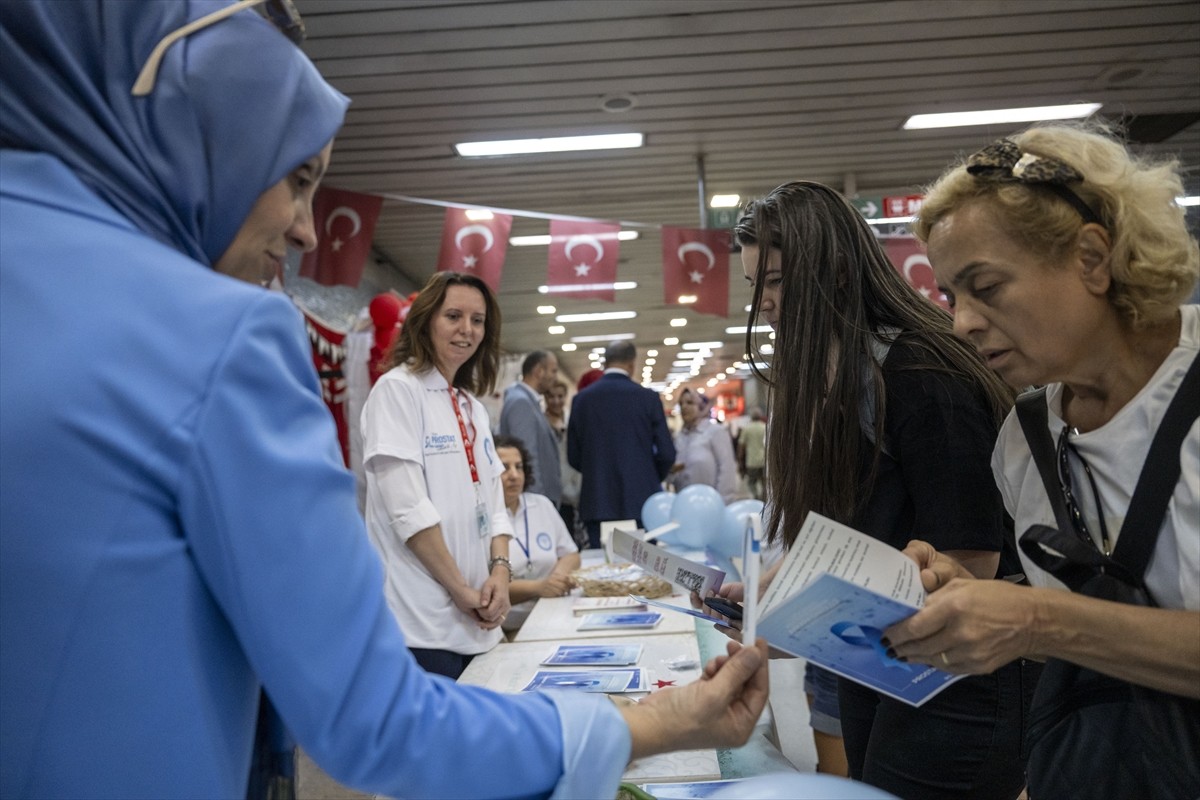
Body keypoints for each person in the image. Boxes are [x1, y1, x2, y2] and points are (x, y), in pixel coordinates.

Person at [0, 2, 771, 797]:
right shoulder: (215, 337)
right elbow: (374, 718)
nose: (306, 230)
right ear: (204, 134)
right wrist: (657, 721)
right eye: (297, 179)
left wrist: (500, 569)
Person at [886, 124, 1200, 798]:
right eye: (950, 297)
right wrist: (969, 605)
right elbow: (1092, 638)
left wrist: (1035, 621)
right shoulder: (1025, 439)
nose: (963, 323)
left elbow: (1065, 624)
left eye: (986, 287)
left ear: (1092, 258)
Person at [728, 181, 1034, 799]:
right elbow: (858, 527)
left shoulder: (923, 372)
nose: (763, 304)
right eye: (755, 285)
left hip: (958, 676)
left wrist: (799, 609)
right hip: (884, 663)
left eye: (778, 281)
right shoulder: (843, 376)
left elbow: (967, 563)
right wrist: (773, 591)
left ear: (836, 272)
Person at [361, 271, 512, 679]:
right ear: (425, 321)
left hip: (479, 620)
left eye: (477, 320)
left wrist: (500, 572)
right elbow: (408, 510)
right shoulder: (396, 391)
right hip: (420, 625)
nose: (467, 330)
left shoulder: (471, 407)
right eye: (454, 316)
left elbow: (495, 502)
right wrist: (461, 590)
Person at [568, 340, 676, 548]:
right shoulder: (648, 398)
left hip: (598, 501)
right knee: (645, 570)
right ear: (632, 364)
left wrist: (596, 471)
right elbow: (667, 453)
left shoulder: (582, 400)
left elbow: (573, 455)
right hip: (642, 502)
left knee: (602, 572)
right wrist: (648, 476)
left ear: (605, 363)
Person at [494, 435, 581, 632]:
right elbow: (486, 588)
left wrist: (557, 578)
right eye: (504, 468)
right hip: (508, 627)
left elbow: (571, 554)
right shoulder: (484, 519)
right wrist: (539, 587)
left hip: (554, 614)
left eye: (519, 466)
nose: (514, 475)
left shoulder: (541, 505)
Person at [498, 349, 562, 506]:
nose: (555, 377)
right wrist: (535, 504)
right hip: (536, 500)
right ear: (539, 371)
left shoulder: (529, 401)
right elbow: (527, 455)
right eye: (553, 371)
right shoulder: (521, 403)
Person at [668, 387, 739, 502]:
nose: (684, 407)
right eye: (681, 404)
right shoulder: (680, 437)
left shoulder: (716, 432)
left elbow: (727, 470)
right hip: (685, 503)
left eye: (690, 403)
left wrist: (722, 502)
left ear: (701, 406)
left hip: (711, 505)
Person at [544, 378, 584, 545]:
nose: (556, 401)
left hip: (575, 482)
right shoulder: (541, 421)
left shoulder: (572, 419)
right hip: (552, 486)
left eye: (560, 396)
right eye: (551, 397)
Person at [737, 408, 768, 500]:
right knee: (764, 482)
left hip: (751, 461)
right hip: (764, 461)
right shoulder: (765, 427)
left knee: (751, 482)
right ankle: (764, 498)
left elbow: (741, 446)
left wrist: (740, 459)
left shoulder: (747, 429)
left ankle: (756, 497)